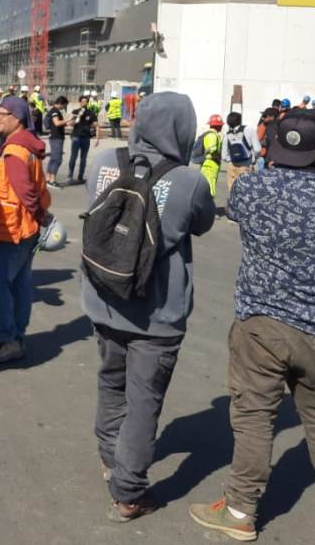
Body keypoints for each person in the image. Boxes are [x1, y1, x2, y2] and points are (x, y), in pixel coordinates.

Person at [189, 109, 315, 540]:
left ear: (274, 148)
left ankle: (240, 511)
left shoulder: (250, 187)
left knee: (254, 418)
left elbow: (238, 217)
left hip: (261, 325)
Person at [81, 91, 215, 522]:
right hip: (156, 314)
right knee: (144, 401)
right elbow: (202, 223)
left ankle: (110, 458)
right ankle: (128, 492)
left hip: (103, 300)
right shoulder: (190, 180)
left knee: (110, 382)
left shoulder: (103, 162)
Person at [0, 97, 52, 364]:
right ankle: (16, 336)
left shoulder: (14, 151)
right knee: (20, 282)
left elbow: (25, 191)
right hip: (24, 228)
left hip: (10, 229)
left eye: (2, 114)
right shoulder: (24, 146)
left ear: (17, 118)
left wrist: (41, 216)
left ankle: (8, 338)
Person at [223, 112, 260, 197]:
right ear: (240, 120)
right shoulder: (249, 130)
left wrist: (231, 159)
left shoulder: (227, 134)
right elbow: (257, 149)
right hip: (246, 165)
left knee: (232, 192)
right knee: (245, 193)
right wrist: (253, 159)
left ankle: (232, 209)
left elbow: (224, 156)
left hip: (231, 165)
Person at [67, 94, 99, 185]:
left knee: (83, 158)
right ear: (80, 102)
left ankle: (80, 176)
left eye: (86, 102)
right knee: (73, 157)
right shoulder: (75, 111)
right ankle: (70, 176)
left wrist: (97, 138)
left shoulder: (91, 113)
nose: (84, 103)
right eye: (82, 101)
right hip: (76, 137)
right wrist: (78, 117)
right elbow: (70, 123)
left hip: (86, 138)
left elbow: (96, 125)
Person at [190, 114, 224, 197]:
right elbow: (212, 150)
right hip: (210, 165)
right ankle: (207, 208)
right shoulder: (212, 135)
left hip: (208, 164)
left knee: (207, 187)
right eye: (221, 125)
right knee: (210, 189)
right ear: (218, 126)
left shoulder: (212, 134)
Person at [45, 96, 69, 187]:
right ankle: (52, 180)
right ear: (61, 103)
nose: (64, 108)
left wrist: (69, 123)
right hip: (56, 137)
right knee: (57, 159)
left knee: (53, 158)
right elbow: (57, 123)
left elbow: (59, 124)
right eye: (64, 105)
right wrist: (68, 119)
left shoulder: (53, 111)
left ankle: (48, 178)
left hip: (55, 137)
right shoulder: (55, 111)